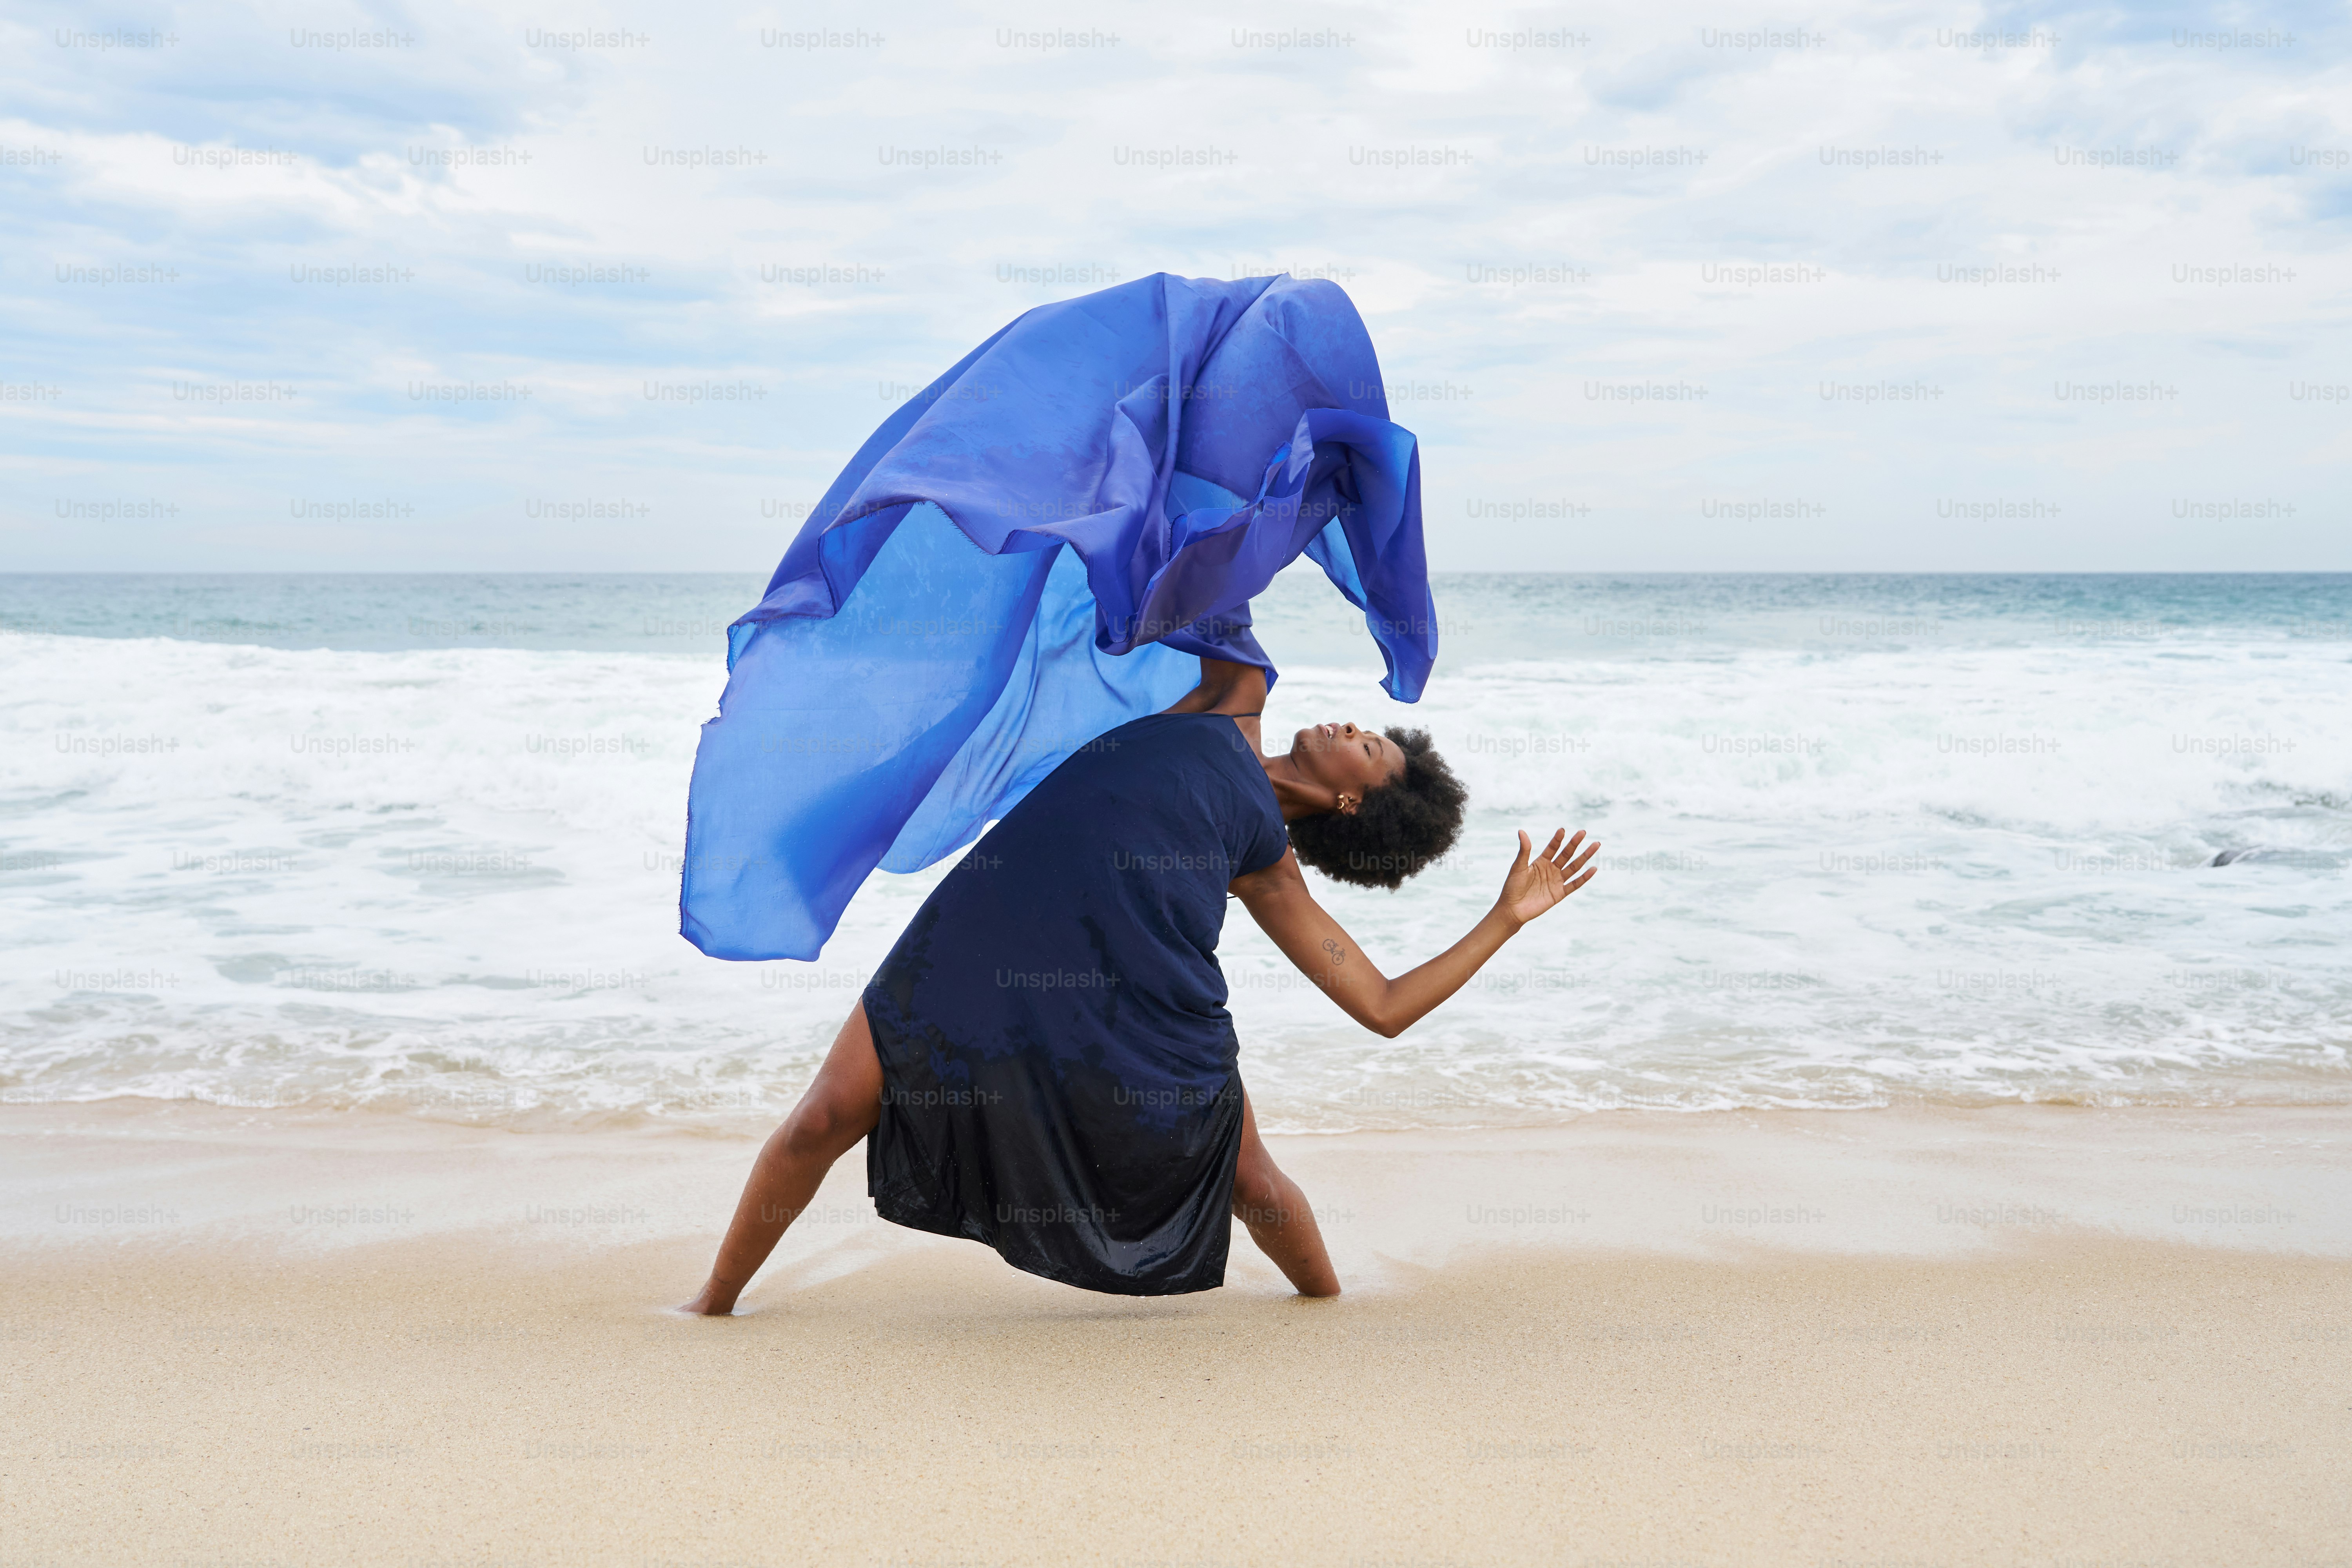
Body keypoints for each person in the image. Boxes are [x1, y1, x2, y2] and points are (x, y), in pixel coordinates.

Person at [681, 655, 1597, 1313]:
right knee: (824, 1115)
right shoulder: (1234, 694)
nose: (1353, 727)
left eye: (1370, 749)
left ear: (1355, 802)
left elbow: (1383, 1004)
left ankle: (1327, 1306)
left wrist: (1505, 917)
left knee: (1250, 1178)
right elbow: (1211, 557)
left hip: (1142, 1000)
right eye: (1367, 728)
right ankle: (711, 1302)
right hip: (981, 930)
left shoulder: (1271, 868)